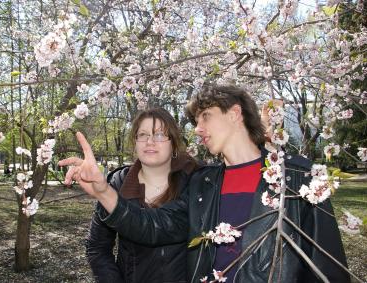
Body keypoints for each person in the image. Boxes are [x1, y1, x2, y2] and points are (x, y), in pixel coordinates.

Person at [60, 84, 349, 282]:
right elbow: (153, 227)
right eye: (196, 120)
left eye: (206, 117)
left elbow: (328, 266)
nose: (198, 129)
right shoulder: (203, 183)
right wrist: (103, 191)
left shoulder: (298, 177)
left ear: (235, 114)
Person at [60, 108, 197, 282]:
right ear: (135, 142)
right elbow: (97, 248)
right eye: (143, 134)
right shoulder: (117, 183)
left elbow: (155, 228)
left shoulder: (194, 183)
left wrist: (105, 193)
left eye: (160, 135)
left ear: (174, 143)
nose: (150, 141)